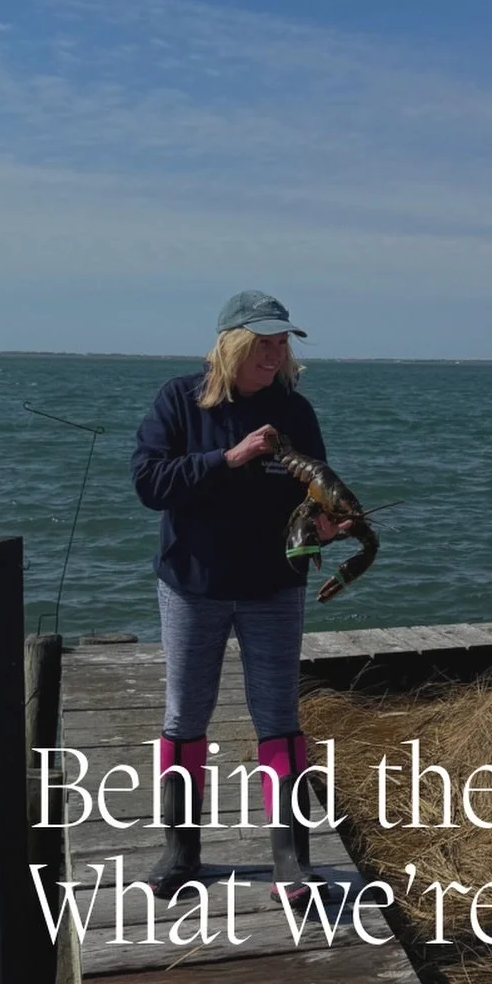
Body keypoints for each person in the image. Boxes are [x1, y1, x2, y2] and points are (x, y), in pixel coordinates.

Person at [131, 290, 348, 904]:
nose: (275, 355)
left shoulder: (296, 413)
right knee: (184, 717)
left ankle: (292, 861)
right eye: (264, 343)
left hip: (273, 586)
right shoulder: (180, 399)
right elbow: (148, 482)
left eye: (282, 344)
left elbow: (315, 496)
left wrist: (327, 527)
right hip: (192, 585)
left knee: (280, 719)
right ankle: (181, 852)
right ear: (232, 343)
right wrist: (229, 458)